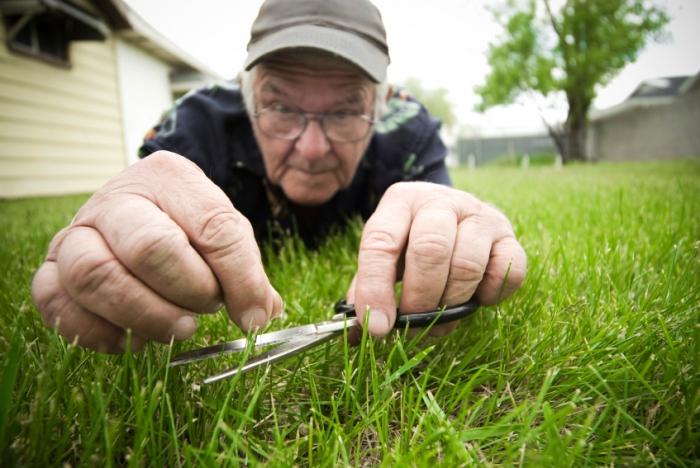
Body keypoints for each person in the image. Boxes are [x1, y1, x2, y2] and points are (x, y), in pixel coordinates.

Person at [31, 0, 527, 353]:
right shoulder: (195, 126)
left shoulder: (409, 129)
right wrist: (113, 234)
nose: (312, 149)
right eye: (281, 106)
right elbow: (139, 202)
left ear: (381, 102)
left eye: (345, 111)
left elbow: (447, 208)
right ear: (245, 95)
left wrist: (461, 227)